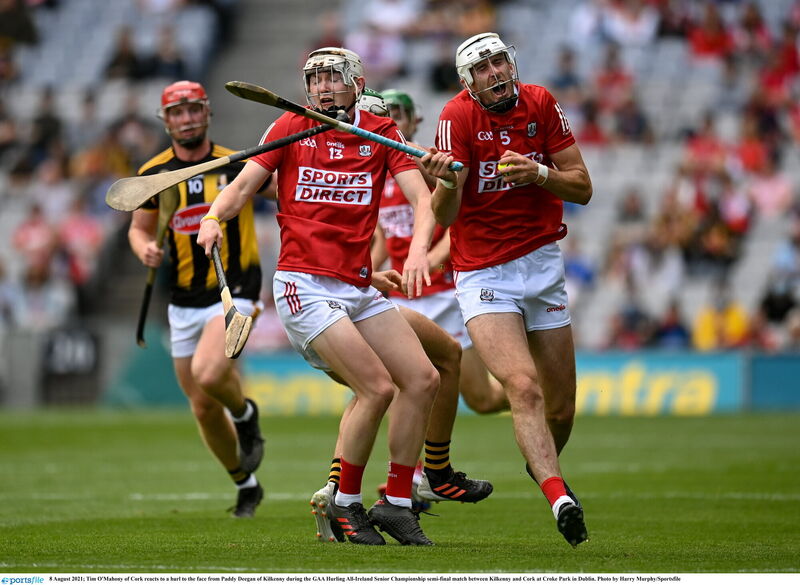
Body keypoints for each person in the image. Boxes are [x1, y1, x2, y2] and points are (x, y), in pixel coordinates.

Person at [197, 48, 455, 546]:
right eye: (314, 80)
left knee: (423, 379)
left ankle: (398, 503)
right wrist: (213, 217)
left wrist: (419, 250)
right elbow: (245, 184)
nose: (321, 88)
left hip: (357, 284)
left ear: (357, 84)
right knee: (377, 388)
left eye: (333, 79)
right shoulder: (289, 127)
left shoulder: (379, 131)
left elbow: (423, 199)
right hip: (304, 284)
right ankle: (345, 504)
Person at [424, 32, 592, 547]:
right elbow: (442, 216)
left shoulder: (541, 102)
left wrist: (539, 172)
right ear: (467, 81)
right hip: (483, 272)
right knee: (522, 387)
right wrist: (447, 182)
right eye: (482, 67)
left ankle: (538, 463)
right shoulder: (456, 117)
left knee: (560, 409)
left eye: (499, 61)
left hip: (542, 264)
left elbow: (582, 186)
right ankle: (559, 493)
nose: (494, 72)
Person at [308, 89, 494, 544]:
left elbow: (450, 218)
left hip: (423, 294)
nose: (381, 123)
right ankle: (367, 490)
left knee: (438, 372)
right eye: (373, 116)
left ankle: (421, 475)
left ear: (410, 121)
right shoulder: (360, 167)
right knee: (377, 388)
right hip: (352, 301)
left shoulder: (414, 165)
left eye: (390, 115)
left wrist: (412, 263)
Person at [127, 80, 265, 518]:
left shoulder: (235, 163)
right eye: (177, 112)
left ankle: (245, 416)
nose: (186, 119)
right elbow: (139, 228)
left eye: (193, 110)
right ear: (165, 120)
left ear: (207, 113)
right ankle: (246, 483)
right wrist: (144, 248)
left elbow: (290, 194)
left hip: (235, 288)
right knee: (203, 408)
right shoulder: (155, 174)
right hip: (183, 299)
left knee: (209, 374)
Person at [372, 88, 508, 416]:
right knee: (402, 388)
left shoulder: (428, 165)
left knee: (482, 401)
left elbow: (457, 225)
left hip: (446, 295)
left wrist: (429, 261)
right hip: (402, 298)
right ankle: (414, 468)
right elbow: (380, 242)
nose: (388, 120)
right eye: (381, 114)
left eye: (396, 114)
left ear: (414, 121)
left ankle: (534, 392)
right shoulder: (372, 175)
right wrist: (362, 276)